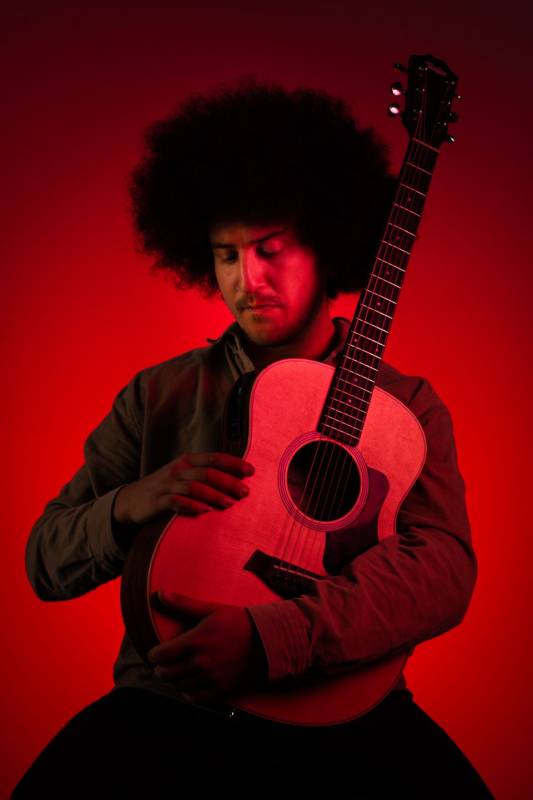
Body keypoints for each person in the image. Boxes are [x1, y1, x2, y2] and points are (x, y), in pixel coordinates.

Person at [12, 79, 494, 797]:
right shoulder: (157, 395)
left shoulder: (407, 409)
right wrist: (133, 503)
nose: (249, 279)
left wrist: (273, 639)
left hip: (343, 704)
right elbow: (45, 563)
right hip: (171, 703)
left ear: (328, 247)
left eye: (271, 249)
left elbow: (443, 570)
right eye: (227, 255)